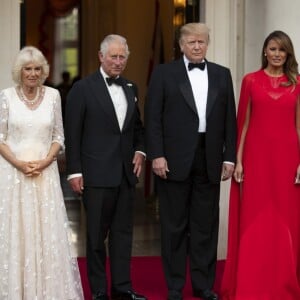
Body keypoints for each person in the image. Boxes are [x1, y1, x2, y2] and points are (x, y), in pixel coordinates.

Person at [145, 23, 237, 300]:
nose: (197, 46)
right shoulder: (164, 73)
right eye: (191, 42)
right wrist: (157, 154)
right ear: (181, 45)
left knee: (205, 226)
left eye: (202, 41)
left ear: (208, 44)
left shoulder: (223, 74)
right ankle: (174, 286)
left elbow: (230, 121)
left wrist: (229, 157)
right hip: (172, 158)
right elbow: (153, 118)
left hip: (209, 157)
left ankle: (203, 285)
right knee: (173, 225)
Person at [65, 34, 147, 300]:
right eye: (113, 56)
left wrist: (140, 150)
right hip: (95, 175)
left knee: (123, 235)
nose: (118, 61)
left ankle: (122, 288)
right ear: (101, 57)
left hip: (125, 175)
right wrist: (75, 171)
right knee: (96, 237)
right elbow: (73, 134)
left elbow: (138, 130)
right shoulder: (82, 88)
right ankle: (99, 291)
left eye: (123, 56)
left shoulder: (132, 88)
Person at [221, 30, 300, 299]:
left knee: (286, 220)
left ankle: (284, 285)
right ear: (265, 51)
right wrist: (239, 160)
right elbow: (243, 123)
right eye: (273, 49)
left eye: (282, 50)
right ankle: (251, 283)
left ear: (288, 54)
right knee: (255, 220)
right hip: (256, 159)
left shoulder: (297, 83)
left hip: (287, 160)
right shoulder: (250, 81)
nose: (277, 54)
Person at [0, 46, 84, 299]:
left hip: (44, 175)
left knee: (45, 232)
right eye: (28, 69)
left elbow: (59, 135)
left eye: (38, 69)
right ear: (20, 71)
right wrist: (18, 163)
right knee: (17, 230)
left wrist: (47, 160)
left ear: (44, 71)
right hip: (14, 175)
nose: (33, 73)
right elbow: (0, 137)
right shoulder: (5, 96)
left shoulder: (54, 96)